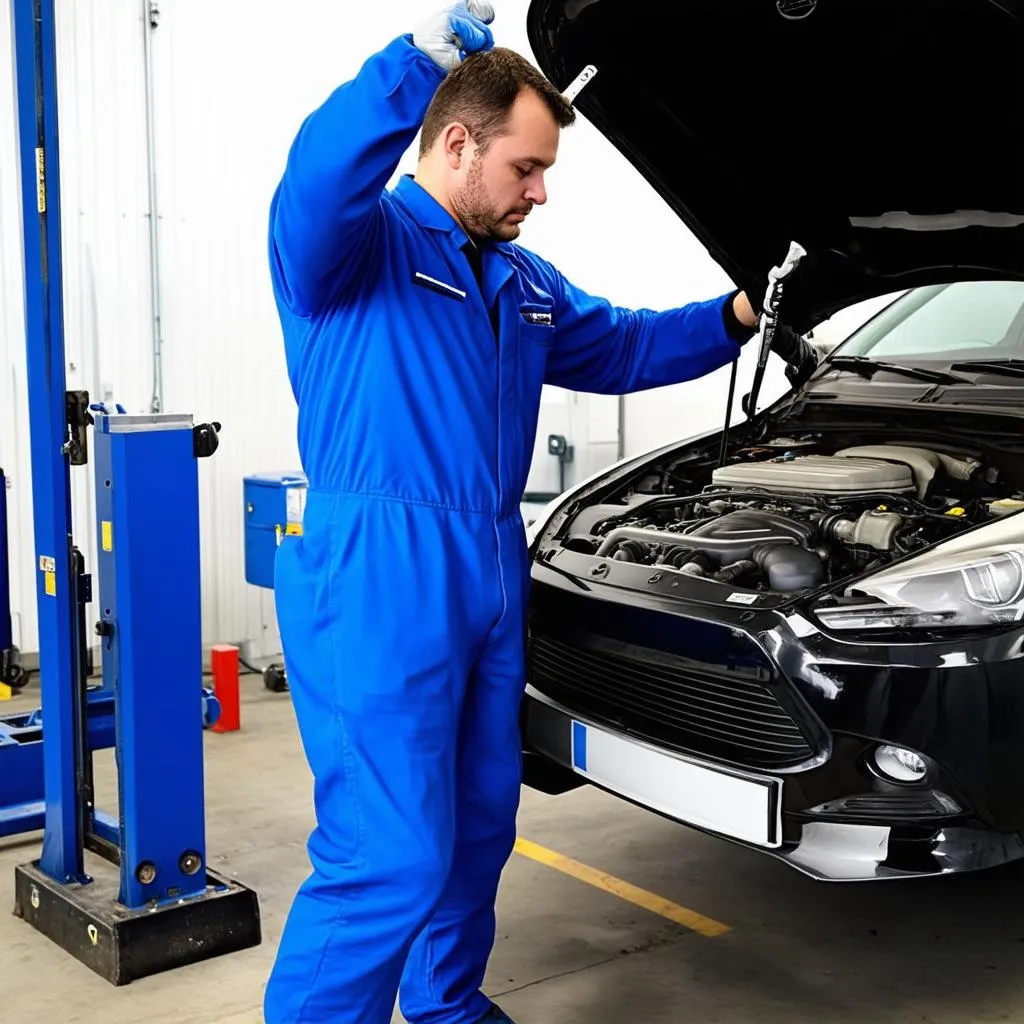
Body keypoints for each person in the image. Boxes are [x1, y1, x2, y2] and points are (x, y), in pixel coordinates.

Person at [264, 4, 813, 1022]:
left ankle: (445, 1004)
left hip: (487, 563)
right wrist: (412, 66)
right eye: (525, 168)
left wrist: (743, 311)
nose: (540, 191)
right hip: (377, 568)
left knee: (478, 822)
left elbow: (626, 347)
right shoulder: (353, 251)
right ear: (458, 141)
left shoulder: (521, 282)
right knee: (386, 848)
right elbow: (318, 170)